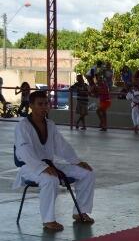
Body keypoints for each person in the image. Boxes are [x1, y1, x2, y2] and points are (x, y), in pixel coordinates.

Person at [13, 90, 96, 232]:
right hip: (30, 167)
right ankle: (48, 220)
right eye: (40, 104)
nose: (44, 107)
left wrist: (75, 161)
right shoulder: (23, 126)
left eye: (46, 104)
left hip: (50, 165)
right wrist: (41, 168)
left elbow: (61, 145)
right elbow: (24, 151)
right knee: (50, 179)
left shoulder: (50, 124)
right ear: (31, 105)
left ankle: (80, 211)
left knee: (87, 173)